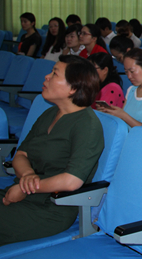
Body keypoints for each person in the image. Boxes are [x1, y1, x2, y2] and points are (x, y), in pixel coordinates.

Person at [0, 55, 103, 246]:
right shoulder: (50, 113)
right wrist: (28, 174)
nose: (46, 76)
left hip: (50, 208)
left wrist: (26, 187)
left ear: (73, 88)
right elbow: (21, 154)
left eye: (54, 73)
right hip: (23, 193)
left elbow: (71, 181)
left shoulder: (87, 126)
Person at [97, 48, 142, 127]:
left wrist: (123, 115)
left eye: (132, 71)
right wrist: (108, 112)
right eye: (126, 72)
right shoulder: (131, 90)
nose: (129, 76)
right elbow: (122, 121)